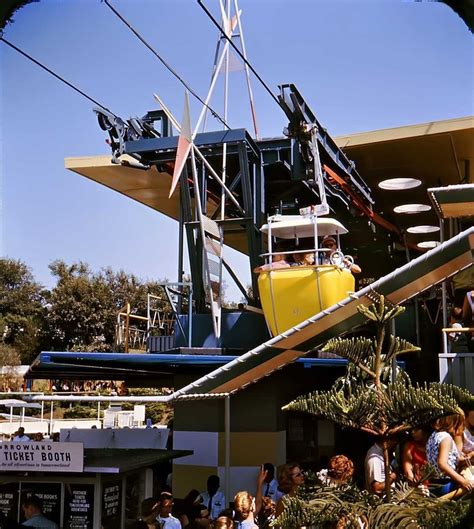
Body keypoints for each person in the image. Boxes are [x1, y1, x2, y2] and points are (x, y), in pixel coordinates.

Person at [426, 414, 474, 496]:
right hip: (446, 484)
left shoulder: (434, 435)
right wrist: (463, 481)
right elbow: (442, 463)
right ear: (455, 423)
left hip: (434, 483)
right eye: (461, 424)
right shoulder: (446, 438)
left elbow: (449, 459)